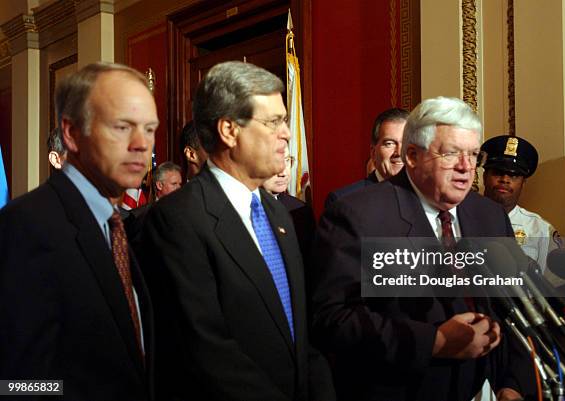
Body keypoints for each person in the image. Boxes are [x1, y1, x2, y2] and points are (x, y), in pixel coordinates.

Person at [311, 97, 534, 401]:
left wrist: (514, 382)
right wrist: (434, 341)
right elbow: (332, 319)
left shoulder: (489, 215)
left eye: (472, 154)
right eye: (452, 153)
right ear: (413, 156)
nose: (466, 167)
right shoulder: (357, 215)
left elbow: (516, 306)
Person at [140, 61, 335, 400]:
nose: (286, 134)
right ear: (229, 130)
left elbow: (299, 334)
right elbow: (205, 350)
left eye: (285, 121)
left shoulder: (279, 213)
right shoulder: (178, 219)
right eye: (273, 122)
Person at [0, 62, 158, 400]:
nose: (141, 144)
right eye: (121, 127)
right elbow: (18, 385)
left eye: (149, 129)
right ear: (71, 134)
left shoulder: (118, 225)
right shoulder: (27, 225)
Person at [481, 135, 562, 272]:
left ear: (523, 183)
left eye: (513, 175)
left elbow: (552, 286)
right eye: (498, 173)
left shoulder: (539, 229)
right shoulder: (461, 218)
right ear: (484, 177)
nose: (505, 180)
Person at [325, 108, 409, 208]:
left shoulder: (427, 196)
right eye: (389, 144)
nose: (399, 152)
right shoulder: (343, 201)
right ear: (373, 153)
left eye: (406, 143)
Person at [262, 144, 316, 267]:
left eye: (287, 160)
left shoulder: (301, 211)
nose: (283, 172)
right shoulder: (235, 209)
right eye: (275, 161)